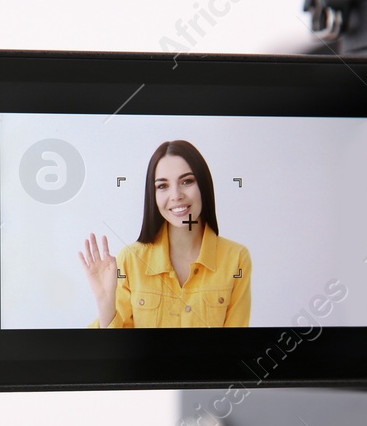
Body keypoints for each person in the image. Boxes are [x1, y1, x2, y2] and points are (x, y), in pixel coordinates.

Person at [78, 138, 251, 328]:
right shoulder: (131, 259)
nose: (176, 195)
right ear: (153, 195)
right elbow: (114, 352)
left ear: (204, 185)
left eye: (187, 181)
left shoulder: (236, 258)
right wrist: (104, 302)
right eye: (162, 186)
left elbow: (237, 346)